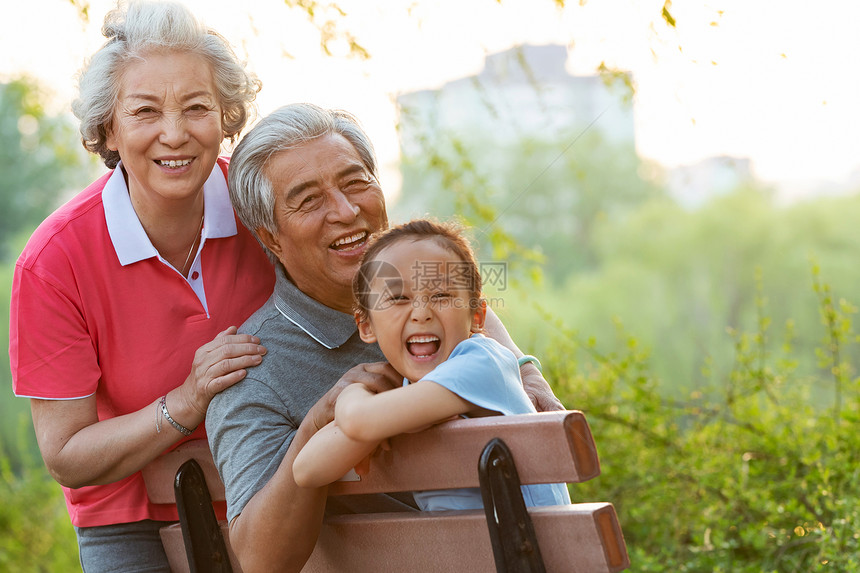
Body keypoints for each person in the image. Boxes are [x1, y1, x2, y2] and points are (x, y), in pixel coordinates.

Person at [207, 102, 565, 573]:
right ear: (271, 239)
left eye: (356, 182)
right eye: (309, 200)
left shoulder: (446, 311)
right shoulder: (253, 374)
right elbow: (259, 560)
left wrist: (523, 365)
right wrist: (318, 422)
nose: (346, 209)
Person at [7, 2, 275, 571]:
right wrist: (187, 399)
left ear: (227, 118)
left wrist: (515, 363)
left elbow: (396, 277)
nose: (174, 134)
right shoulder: (54, 262)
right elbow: (67, 456)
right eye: (145, 111)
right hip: (132, 518)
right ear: (108, 125)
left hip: (275, 482)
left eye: (197, 107)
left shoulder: (268, 201)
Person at [292, 219, 571, 511]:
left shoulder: (482, 362)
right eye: (398, 298)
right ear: (366, 325)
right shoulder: (406, 396)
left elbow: (358, 421)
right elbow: (307, 470)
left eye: (440, 295)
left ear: (477, 316)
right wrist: (367, 417)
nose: (421, 313)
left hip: (529, 554)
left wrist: (352, 394)